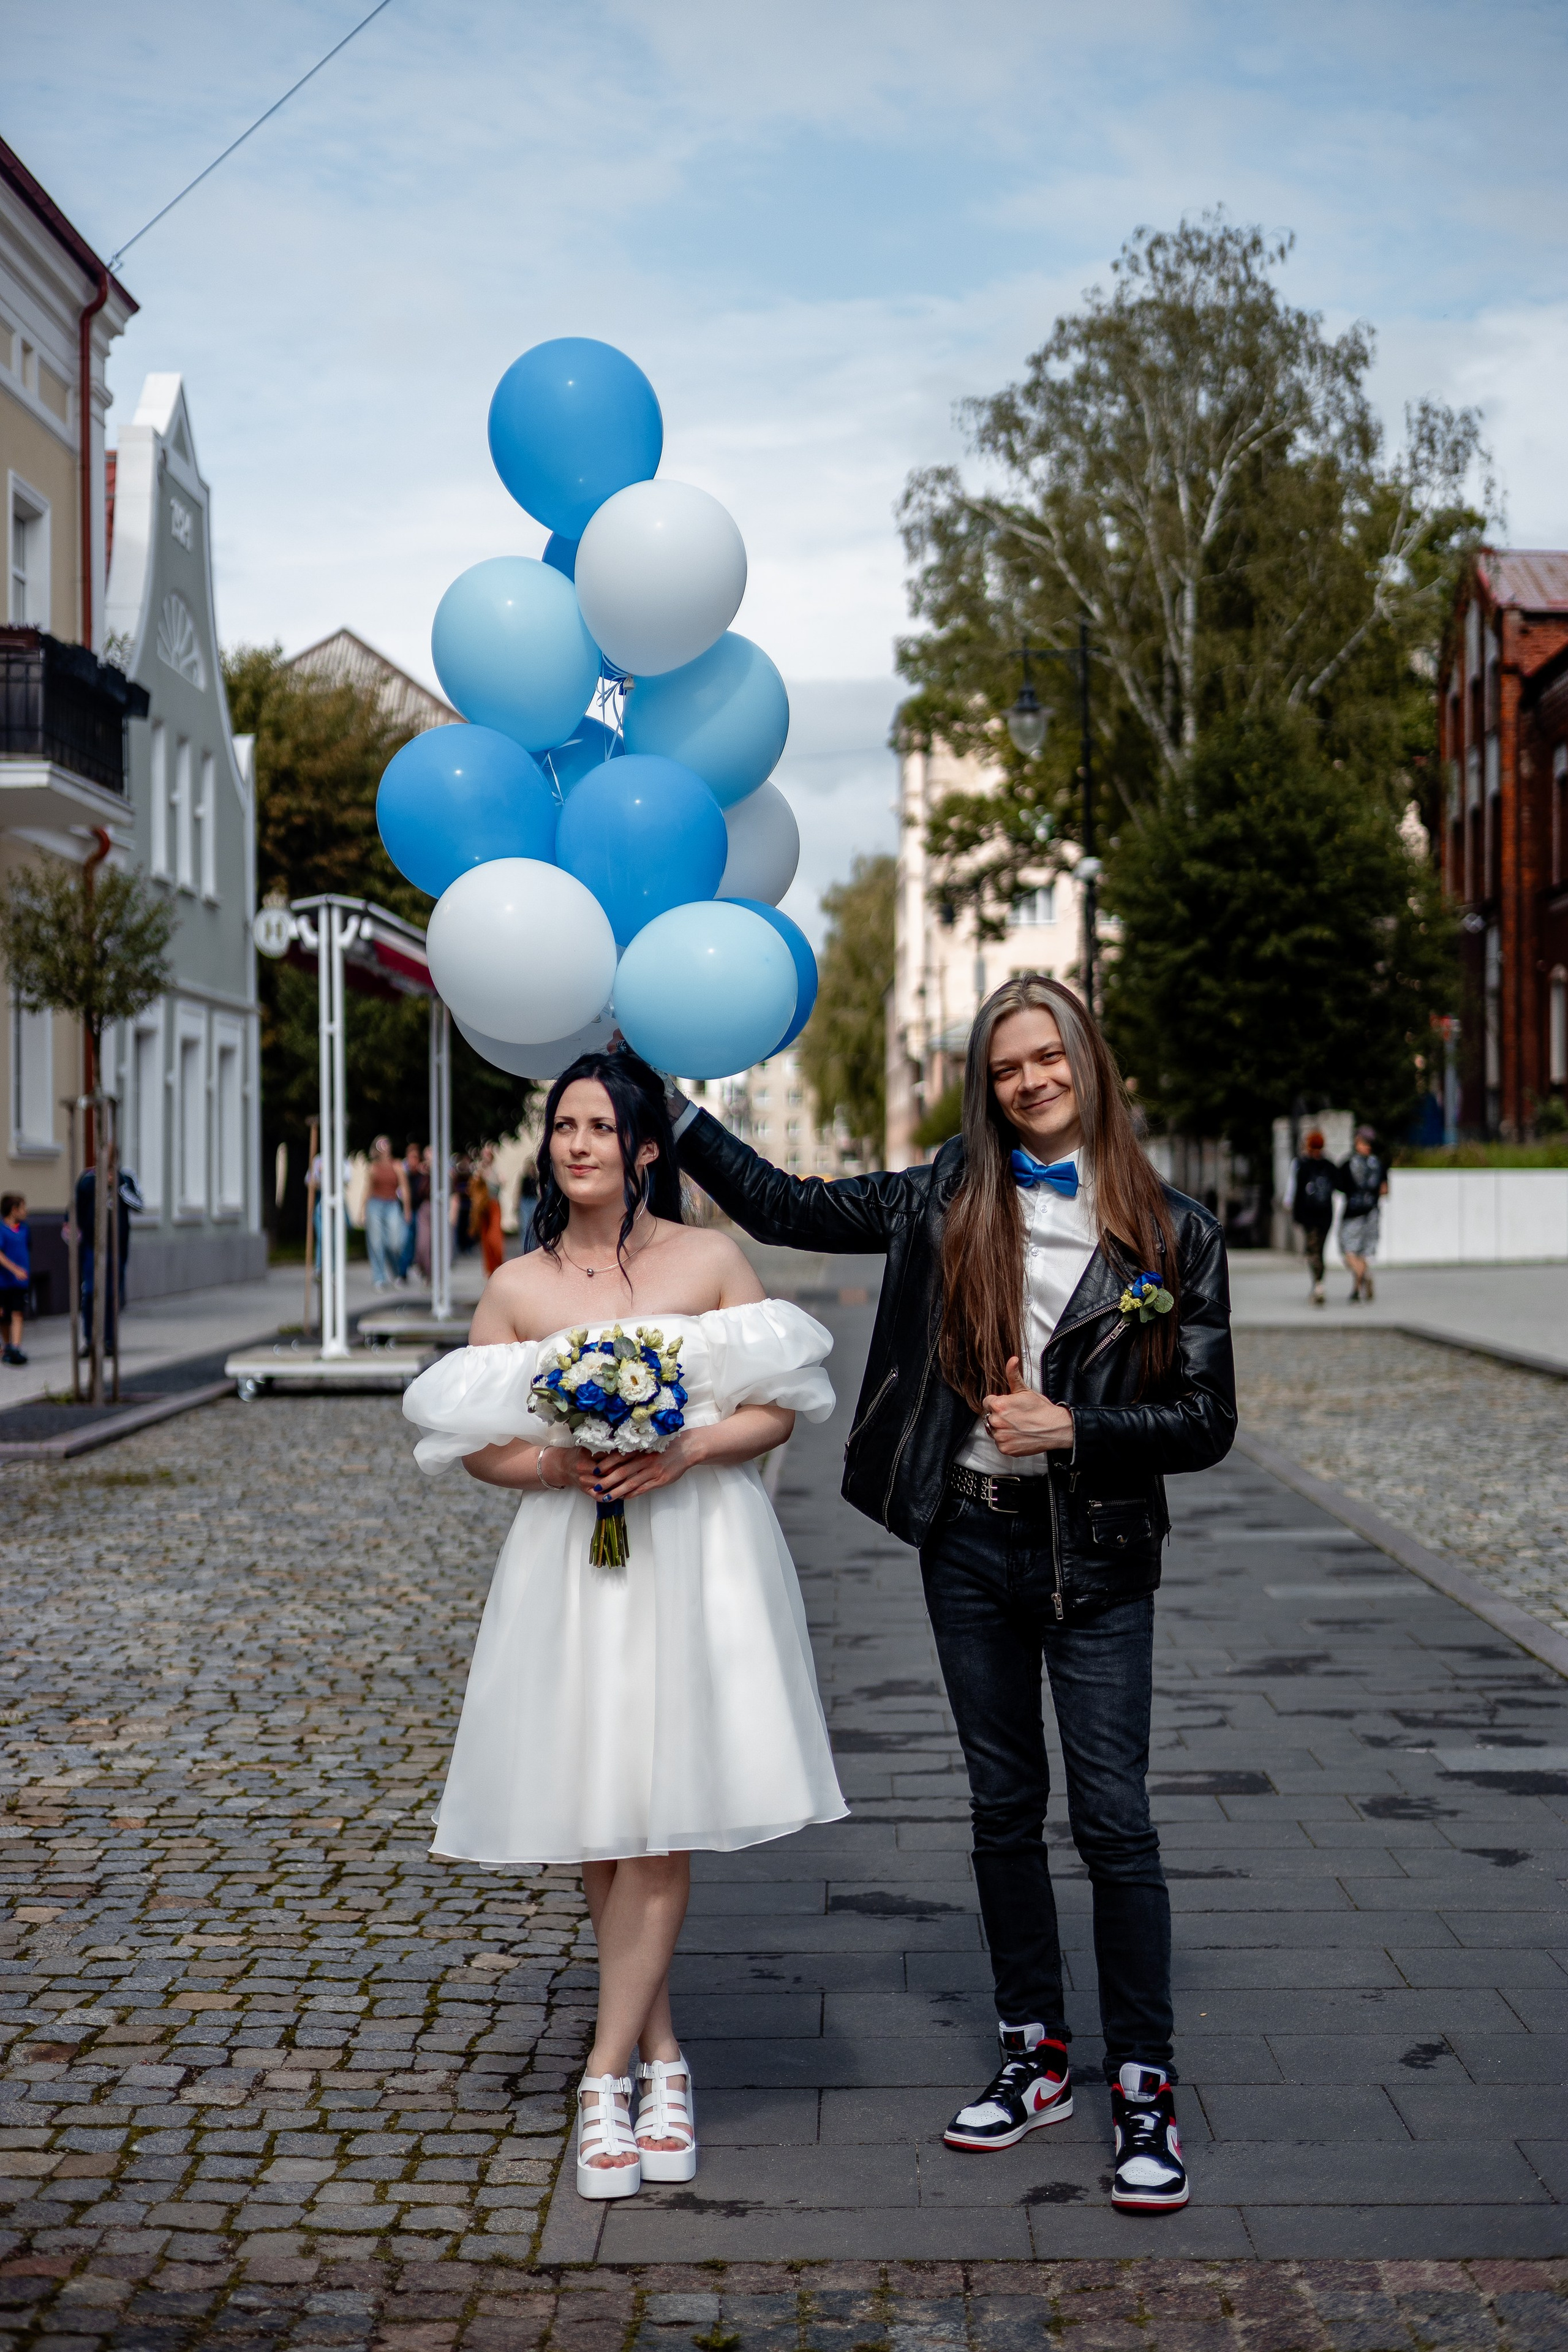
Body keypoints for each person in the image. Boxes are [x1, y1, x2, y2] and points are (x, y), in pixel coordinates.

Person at [665, 974, 1235, 2215]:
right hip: (968, 1544)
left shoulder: (1175, 1230)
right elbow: (790, 1206)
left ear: (1086, 1058)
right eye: (1005, 1065)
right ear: (985, 1082)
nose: (1029, 1080)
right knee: (998, 1804)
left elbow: (1205, 1420)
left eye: (1047, 1057)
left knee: (1113, 1819)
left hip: (1099, 1554)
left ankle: (1142, 2078)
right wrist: (669, 1112)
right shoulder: (944, 1194)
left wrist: (1073, 1425)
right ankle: (1032, 2054)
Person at [401, 1049, 845, 2204]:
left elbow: (780, 1409)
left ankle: (604, 2080)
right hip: (574, 1560)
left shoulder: (706, 1261)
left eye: (602, 1127)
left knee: (658, 1814)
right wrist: (558, 1462)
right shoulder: (516, 1287)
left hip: (696, 1550)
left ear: (648, 1148)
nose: (579, 1144)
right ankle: (660, 2051)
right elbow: (469, 1443)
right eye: (565, 1127)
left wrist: (682, 1444)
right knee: (600, 1807)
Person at [1286, 1128, 1338, 1305]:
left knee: (1312, 1250)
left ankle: (1318, 1284)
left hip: (1309, 1215)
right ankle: (1319, 1283)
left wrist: (1295, 1215)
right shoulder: (1329, 1165)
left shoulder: (1303, 1165)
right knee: (1320, 1250)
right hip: (1326, 1215)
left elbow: (1296, 1191)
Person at [1338, 1124, 1388, 1303]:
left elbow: (1340, 1187)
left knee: (1348, 1251)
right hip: (1372, 1213)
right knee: (1365, 1252)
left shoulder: (1348, 1164)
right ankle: (1360, 1283)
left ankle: (1361, 1279)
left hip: (1353, 1213)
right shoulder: (1378, 1165)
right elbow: (1384, 1190)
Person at [364, 1135, 410, 1291]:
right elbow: (368, 1190)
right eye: (381, 1144)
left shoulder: (397, 1165)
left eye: (386, 1143)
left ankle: (397, 1272)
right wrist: (362, 1211)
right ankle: (379, 1278)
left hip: (392, 1205)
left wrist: (407, 1210)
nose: (384, 1147)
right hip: (375, 1205)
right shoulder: (373, 1167)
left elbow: (404, 1188)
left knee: (394, 1243)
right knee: (376, 1243)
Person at [0, 1195, 29, 1366]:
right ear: (14, 1210)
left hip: (20, 1282)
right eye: (23, 1207)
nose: (26, 1211)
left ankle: (16, 1347)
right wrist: (15, 1269)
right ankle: (8, 1345)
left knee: (18, 1313)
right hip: (4, 1281)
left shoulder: (25, 1229)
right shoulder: (2, 1229)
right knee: (4, 1316)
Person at [469, 1167, 505, 1276]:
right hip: (483, 1208)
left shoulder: (496, 1172)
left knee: (494, 1236)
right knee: (485, 1238)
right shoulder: (478, 1172)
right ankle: (490, 1268)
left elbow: (501, 1185)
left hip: (494, 1206)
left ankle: (498, 1263)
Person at [399, 1143, 426, 1284]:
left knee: (420, 1243)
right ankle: (403, 1272)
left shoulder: (422, 1175)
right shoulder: (403, 1174)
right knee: (406, 1241)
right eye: (411, 1157)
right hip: (406, 1212)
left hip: (420, 1212)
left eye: (416, 1157)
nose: (413, 1161)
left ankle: (420, 1268)